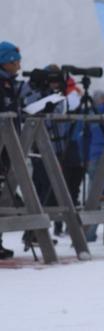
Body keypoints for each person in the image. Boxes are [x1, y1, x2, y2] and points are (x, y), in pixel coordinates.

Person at [0, 41, 23, 259]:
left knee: (3, 192)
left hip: (9, 143)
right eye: (15, 60)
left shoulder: (10, 84)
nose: (18, 64)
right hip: (2, 140)